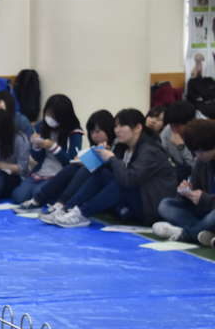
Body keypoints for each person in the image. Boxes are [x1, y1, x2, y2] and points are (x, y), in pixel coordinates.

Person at [47, 108, 177, 229]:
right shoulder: (124, 147)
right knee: (101, 172)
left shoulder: (150, 151)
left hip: (150, 206)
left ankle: (81, 213)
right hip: (136, 199)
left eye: (122, 126)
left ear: (137, 127)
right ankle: (67, 208)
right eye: (116, 126)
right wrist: (100, 157)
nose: (117, 130)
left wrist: (111, 158)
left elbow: (129, 180)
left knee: (119, 184)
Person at [31, 109, 115, 216]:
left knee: (85, 168)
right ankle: (44, 201)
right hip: (90, 183)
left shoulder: (116, 146)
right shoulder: (97, 147)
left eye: (98, 131)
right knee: (72, 168)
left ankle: (64, 205)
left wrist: (87, 160)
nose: (94, 135)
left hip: (106, 186)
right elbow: (76, 160)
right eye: (92, 132)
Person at [151, 119, 215, 245]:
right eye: (195, 151)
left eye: (201, 151)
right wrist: (186, 193)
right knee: (165, 205)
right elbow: (195, 193)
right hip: (204, 213)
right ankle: (202, 232)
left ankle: (185, 234)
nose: (198, 155)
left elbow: (204, 199)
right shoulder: (201, 162)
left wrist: (203, 199)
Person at [12, 94, 83, 204]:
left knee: (37, 193)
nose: (50, 118)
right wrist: (36, 146)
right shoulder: (41, 126)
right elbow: (37, 158)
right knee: (18, 196)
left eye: (54, 116)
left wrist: (53, 147)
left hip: (59, 175)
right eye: (48, 113)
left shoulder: (74, 132)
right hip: (41, 171)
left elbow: (71, 163)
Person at [160, 100, 197, 182]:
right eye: (171, 125)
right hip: (176, 174)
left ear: (191, 122)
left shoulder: (201, 134)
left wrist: (181, 147)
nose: (174, 129)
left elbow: (196, 167)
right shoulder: (167, 131)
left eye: (177, 126)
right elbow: (162, 157)